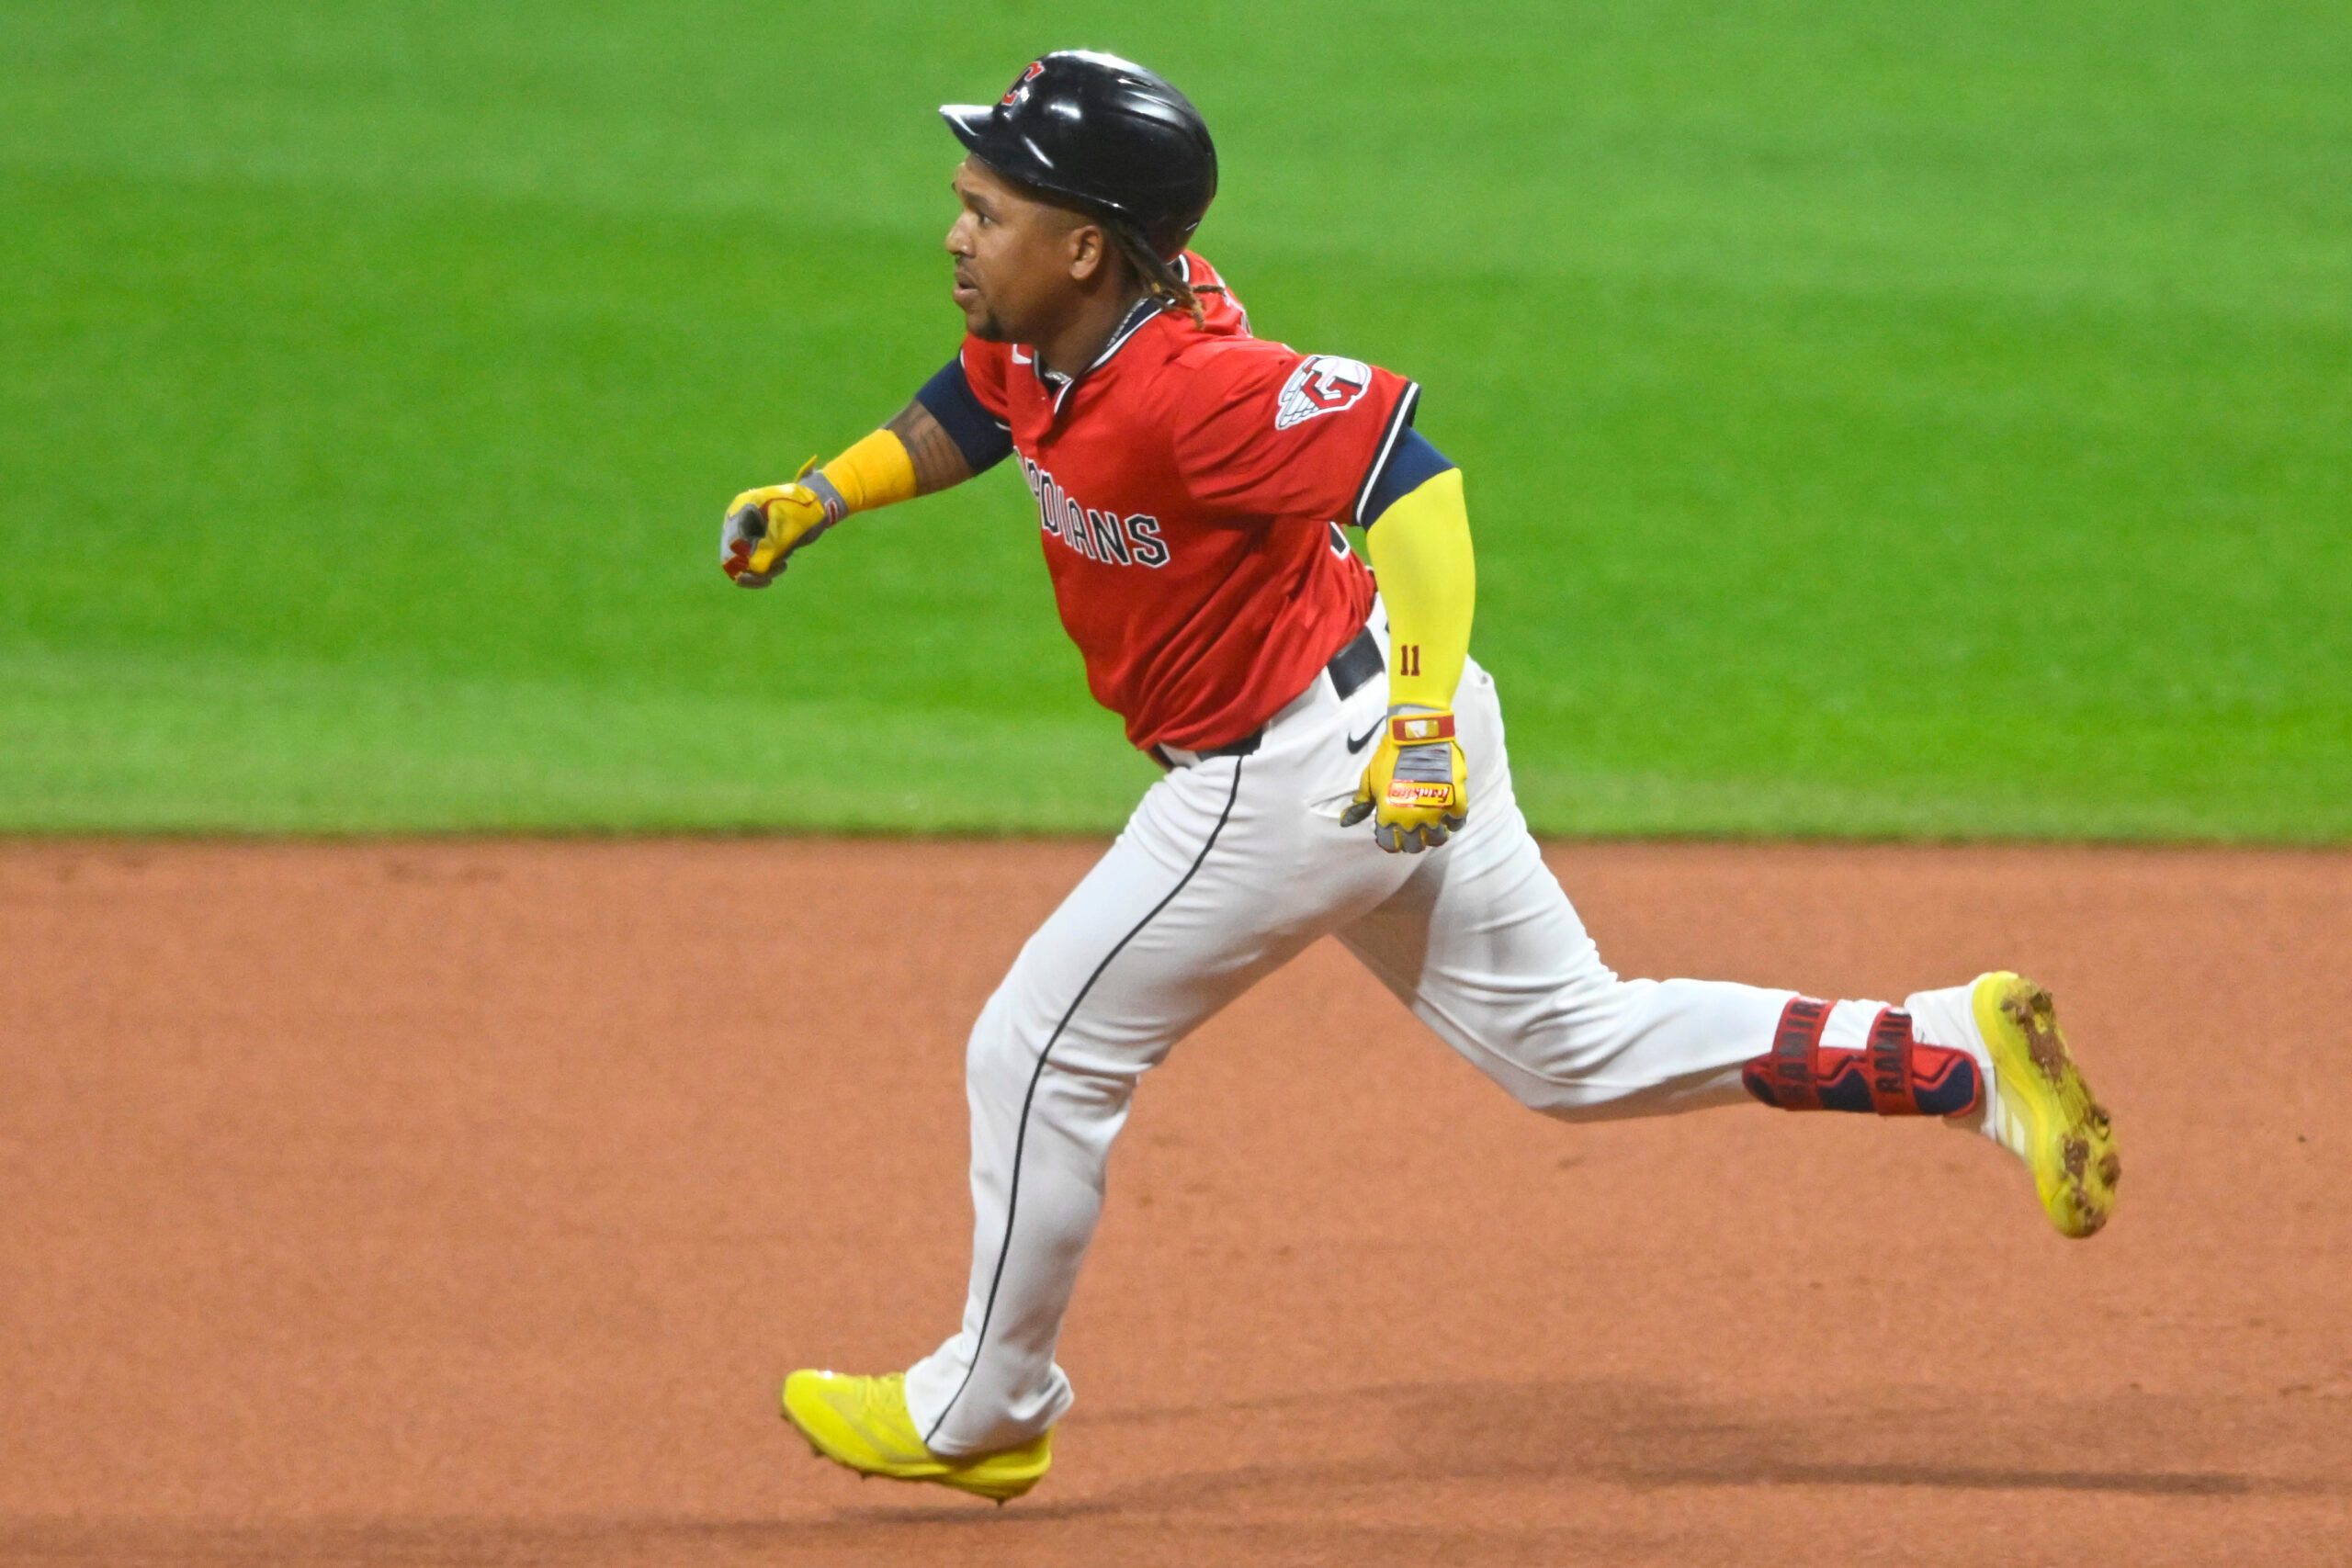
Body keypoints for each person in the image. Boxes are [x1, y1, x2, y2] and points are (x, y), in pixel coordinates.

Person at [719, 51, 2120, 1505]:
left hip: (1295, 774)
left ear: (1085, 245)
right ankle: (1956, 1059)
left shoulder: (1195, 386)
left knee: (1040, 1050)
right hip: (1356, 725)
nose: (955, 232)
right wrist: (829, 493)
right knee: (1570, 1047)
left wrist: (1427, 722)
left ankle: (987, 1408)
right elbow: (980, 402)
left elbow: (1412, 469)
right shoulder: (1049, 325)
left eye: (986, 208)